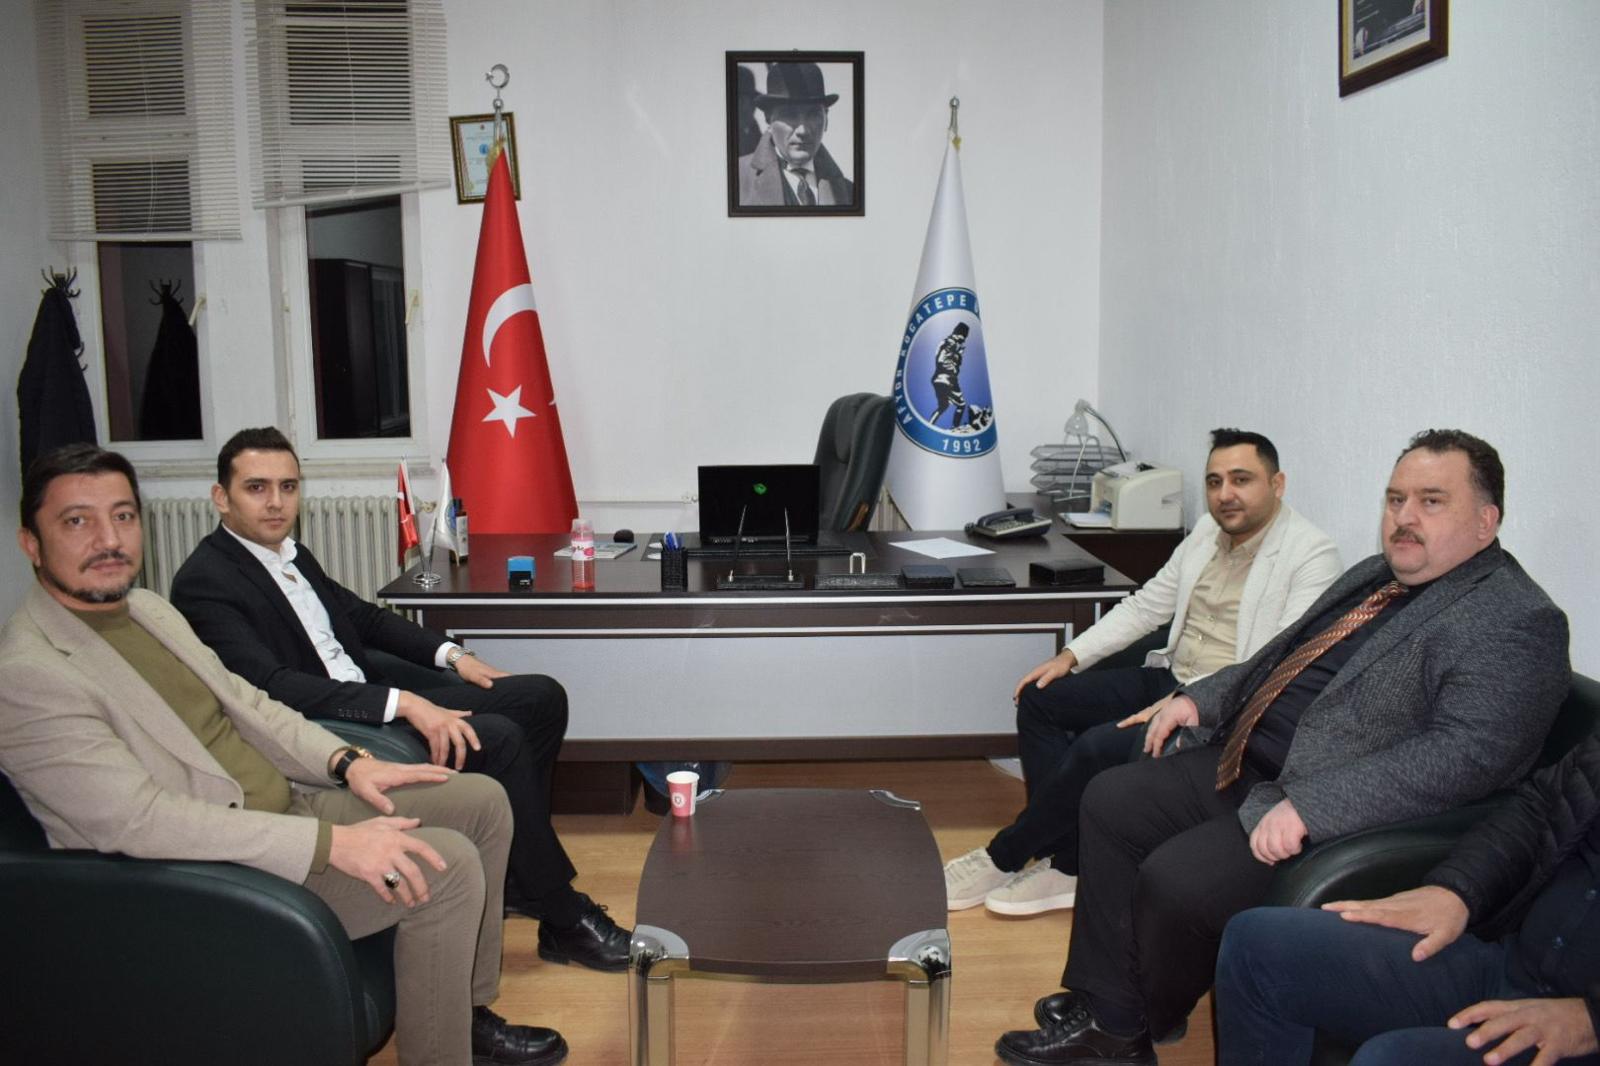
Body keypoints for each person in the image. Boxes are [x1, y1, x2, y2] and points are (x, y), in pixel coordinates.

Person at [995, 429, 1572, 1066]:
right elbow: (1278, 655)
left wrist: (1313, 806)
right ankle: (1110, 1009)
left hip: (1324, 804)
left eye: (1431, 501)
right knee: (1109, 798)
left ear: (1486, 520)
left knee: (1175, 879)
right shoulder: (1376, 575)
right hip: (1247, 759)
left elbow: (1466, 756)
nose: (1404, 518)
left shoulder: (1516, 619)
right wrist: (1199, 699)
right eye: (1395, 499)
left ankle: (1125, 1023)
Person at [0, 444, 567, 1066]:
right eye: (77, 521)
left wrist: (349, 763)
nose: (109, 539)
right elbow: (137, 821)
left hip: (286, 797)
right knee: (445, 865)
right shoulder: (30, 675)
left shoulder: (148, 610)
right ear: (31, 543)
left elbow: (250, 703)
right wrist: (331, 844)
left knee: (482, 801)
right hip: (213, 865)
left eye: (123, 516)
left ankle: (464, 1014)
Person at [170, 427, 629, 973]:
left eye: (287, 487)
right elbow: (273, 686)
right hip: (327, 725)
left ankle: (516, 875)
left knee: (539, 697)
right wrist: (404, 704)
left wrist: (454, 657)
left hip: (365, 685)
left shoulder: (290, 552)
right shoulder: (206, 581)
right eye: (256, 488)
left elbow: (363, 618)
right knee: (498, 737)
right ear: (221, 497)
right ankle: (560, 914)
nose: (276, 502)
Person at [944, 429, 1342, 917]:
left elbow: (1276, 664)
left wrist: (1187, 701)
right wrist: (1071, 656)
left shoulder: (1311, 555)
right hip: (1170, 674)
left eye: (1241, 479)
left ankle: (1006, 855)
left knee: (1096, 746)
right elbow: (1147, 605)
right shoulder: (1205, 533)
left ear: (1277, 484)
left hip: (1220, 706)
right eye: (1214, 481)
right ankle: (1068, 859)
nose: (1225, 494)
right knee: (1041, 698)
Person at [1215, 732, 1600, 1066]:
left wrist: (1590, 1021)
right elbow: (1539, 808)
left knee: (1390, 1058)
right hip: (1514, 965)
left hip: (1579, 1021)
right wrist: (1457, 890)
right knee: (1257, 944)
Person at [736, 61, 854, 207]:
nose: (802, 130)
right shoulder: (736, 179)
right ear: (768, 119)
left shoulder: (850, 193)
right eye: (790, 115)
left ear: (826, 119)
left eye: (813, 115)